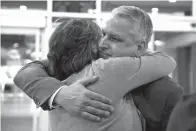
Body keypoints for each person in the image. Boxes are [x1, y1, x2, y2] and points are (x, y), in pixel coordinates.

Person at [14, 6, 183, 131]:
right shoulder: (88, 65)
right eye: (103, 34)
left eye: (115, 39)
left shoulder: (166, 90)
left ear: (140, 47)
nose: (102, 44)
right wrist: (59, 93)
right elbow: (28, 71)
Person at [45, 17, 175, 131]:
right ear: (92, 46)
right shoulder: (104, 70)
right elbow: (167, 62)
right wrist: (138, 49)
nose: (103, 44)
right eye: (101, 38)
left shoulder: (51, 78)